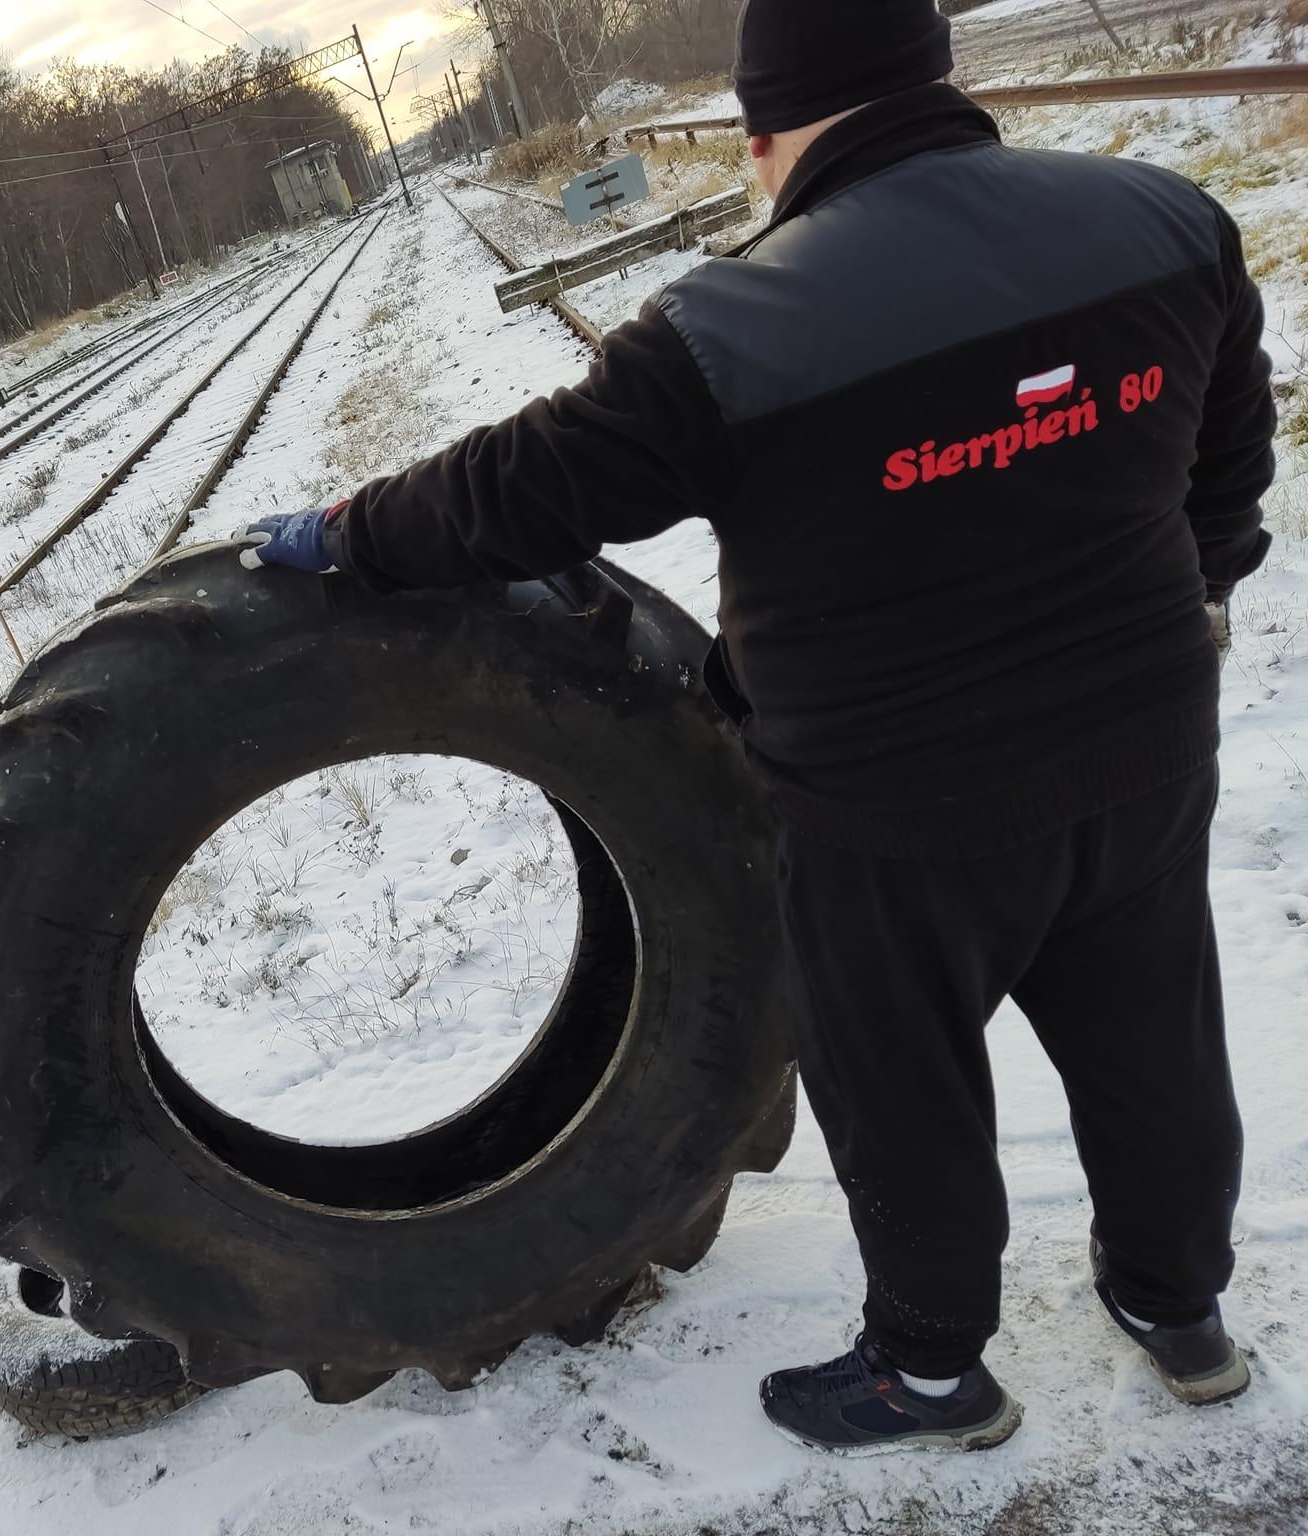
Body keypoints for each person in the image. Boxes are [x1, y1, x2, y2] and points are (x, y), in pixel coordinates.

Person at [237, 0, 1272, 1455]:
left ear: (767, 132)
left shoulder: (732, 334)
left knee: (899, 1083)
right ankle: (1182, 1313)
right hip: (1148, 745)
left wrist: (349, 534)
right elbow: (1230, 463)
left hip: (898, 808)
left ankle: (928, 1372)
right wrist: (1198, 593)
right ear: (936, 78)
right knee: (1156, 1041)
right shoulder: (1168, 221)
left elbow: (518, 493)